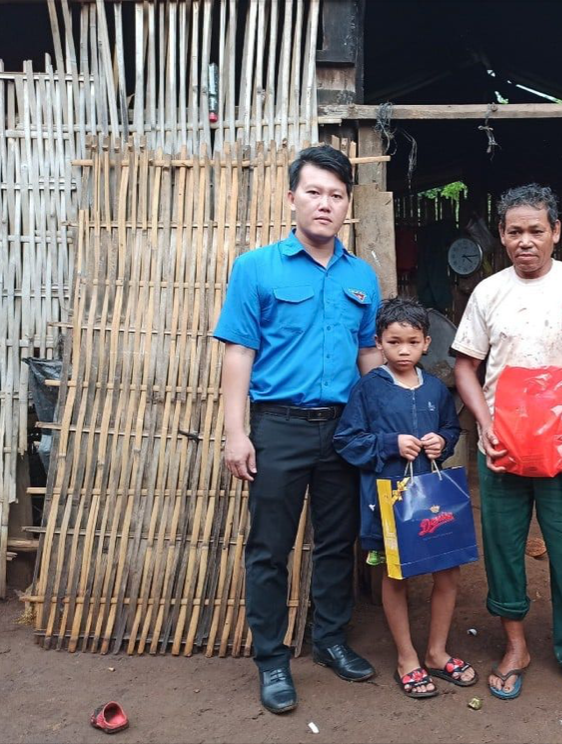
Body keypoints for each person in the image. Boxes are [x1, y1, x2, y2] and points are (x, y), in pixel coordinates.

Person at [213, 144, 382, 714]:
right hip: (278, 427)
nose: (325, 204)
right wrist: (236, 432)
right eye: (314, 192)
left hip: (343, 429)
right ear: (292, 198)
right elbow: (239, 352)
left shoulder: (361, 275)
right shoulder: (256, 268)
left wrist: (382, 423)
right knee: (269, 548)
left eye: (336, 195)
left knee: (337, 542)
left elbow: (368, 354)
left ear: (347, 205)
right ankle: (271, 659)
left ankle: (330, 639)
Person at [452, 184, 562, 705]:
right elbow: (465, 367)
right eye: (514, 232)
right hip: (502, 449)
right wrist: (485, 424)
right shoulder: (488, 293)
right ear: (502, 236)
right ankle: (516, 647)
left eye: (536, 230)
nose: (525, 241)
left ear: (556, 232)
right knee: (503, 551)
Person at [333, 296, 476, 700]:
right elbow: (347, 440)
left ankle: (436, 652)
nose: (403, 351)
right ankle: (406, 657)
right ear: (379, 343)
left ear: (427, 343)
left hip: (432, 498)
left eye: (412, 342)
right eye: (394, 342)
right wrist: (389, 444)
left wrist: (441, 441)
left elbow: (451, 429)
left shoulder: (435, 388)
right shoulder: (368, 389)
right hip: (389, 498)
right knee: (396, 574)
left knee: (448, 571)